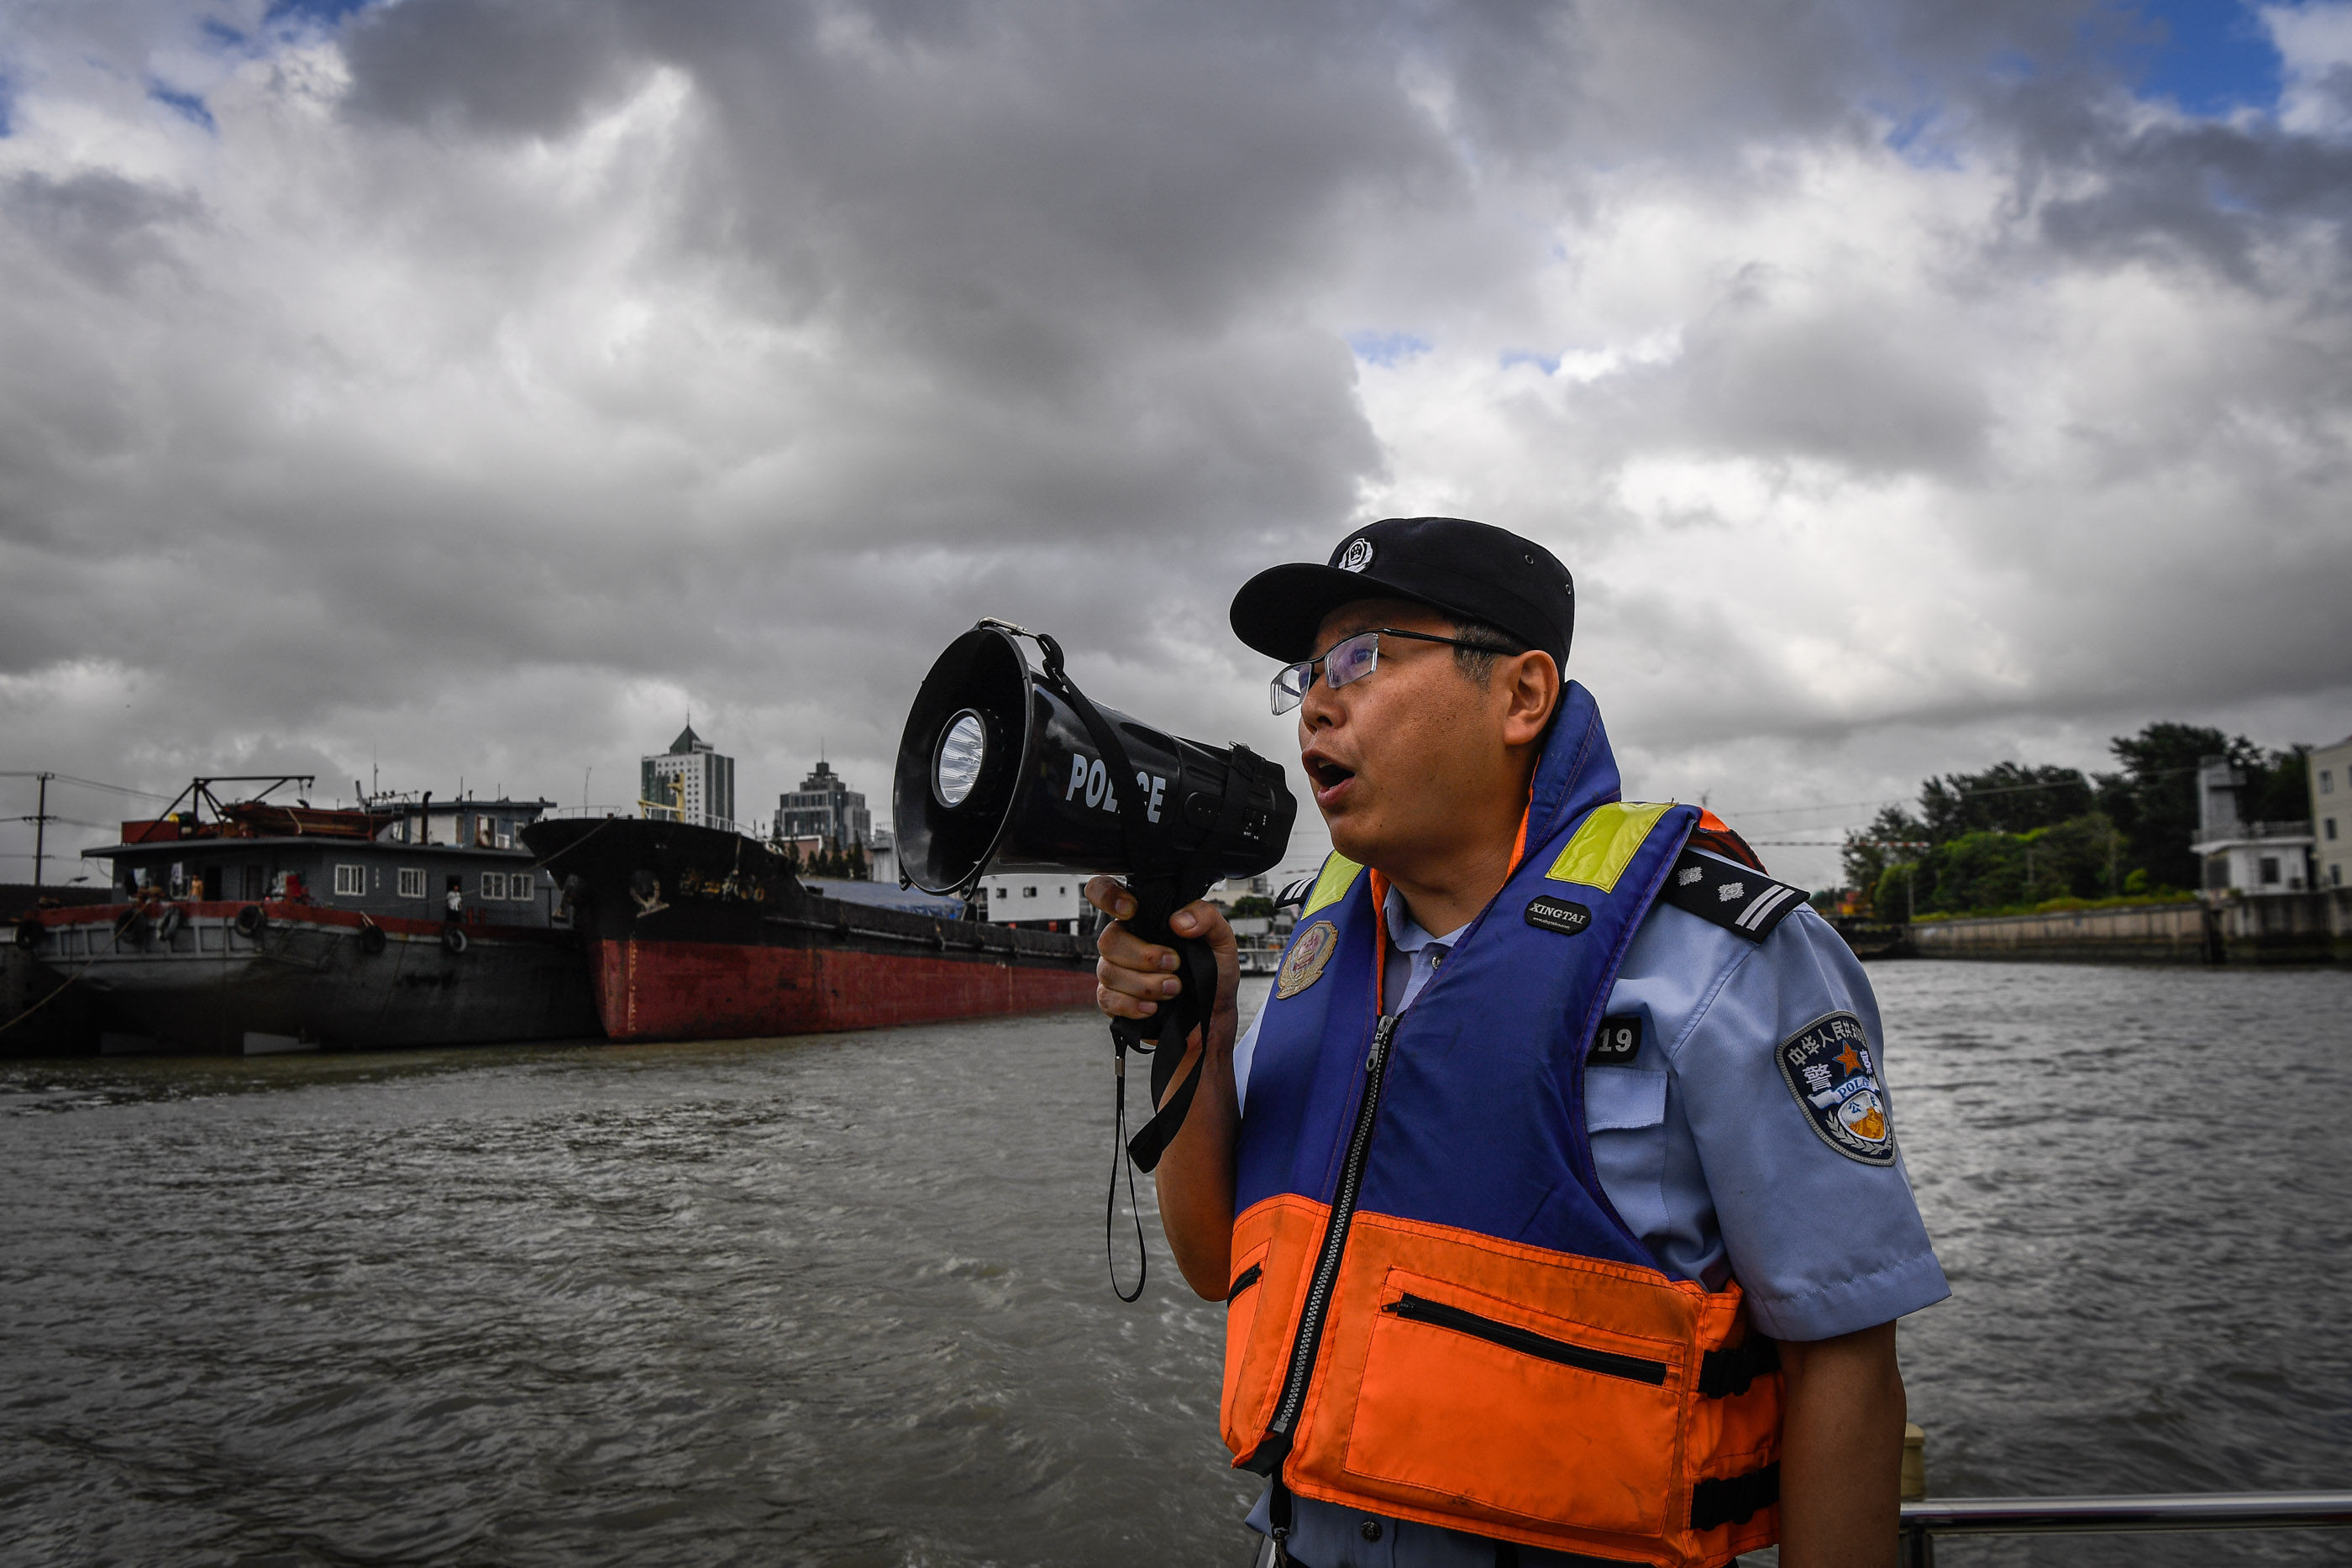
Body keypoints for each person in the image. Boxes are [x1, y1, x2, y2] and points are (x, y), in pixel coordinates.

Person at [1089, 517, 1947, 1568]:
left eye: (1363, 655)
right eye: (1306, 673)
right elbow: (1213, 1261)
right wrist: (1201, 1033)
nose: (1316, 700)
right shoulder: (1319, 960)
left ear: (1521, 695)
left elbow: (1844, 1355)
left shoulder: (1720, 953)